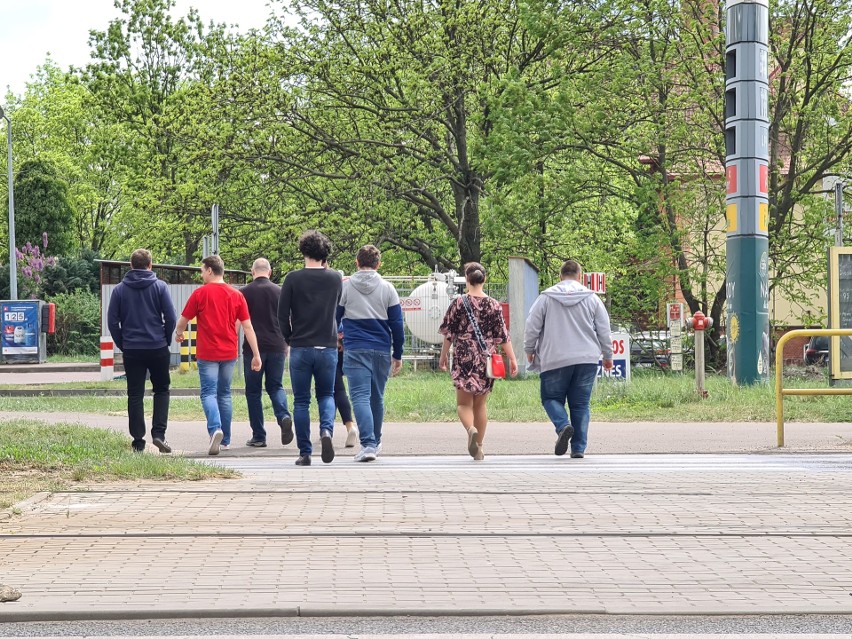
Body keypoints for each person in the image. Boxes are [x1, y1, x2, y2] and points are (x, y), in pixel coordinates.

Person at [523, 259, 613, 459]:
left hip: (554, 358)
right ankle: (578, 448)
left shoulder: (546, 297)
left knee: (551, 398)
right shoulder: (592, 298)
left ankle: (563, 425)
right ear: (579, 276)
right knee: (580, 404)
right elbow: (604, 329)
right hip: (586, 359)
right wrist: (608, 356)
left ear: (560, 276)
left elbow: (532, 326)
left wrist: (529, 349)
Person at [175, 255, 262, 456]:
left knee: (208, 393)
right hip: (229, 352)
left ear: (210, 271)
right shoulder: (237, 295)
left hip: (207, 352)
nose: (201, 274)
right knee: (224, 394)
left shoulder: (200, 294)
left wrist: (179, 334)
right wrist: (256, 355)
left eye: (202, 270)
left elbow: (183, 320)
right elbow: (248, 327)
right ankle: (226, 441)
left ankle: (215, 429)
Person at [439, 262, 518, 460]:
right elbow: (503, 336)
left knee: (464, 404)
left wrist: (443, 357)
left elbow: (449, 333)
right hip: (486, 357)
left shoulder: (459, 303)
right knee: (480, 405)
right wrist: (513, 359)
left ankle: (470, 429)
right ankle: (479, 447)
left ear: (467, 279)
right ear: (484, 279)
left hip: (464, 354)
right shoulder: (494, 304)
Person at [278, 230, 342, 466]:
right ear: (325, 254)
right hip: (327, 346)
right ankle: (326, 431)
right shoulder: (335, 278)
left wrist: (289, 337)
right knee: (326, 394)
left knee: (301, 401)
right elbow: (336, 308)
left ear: (303, 251)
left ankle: (305, 452)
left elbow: (282, 315)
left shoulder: (293, 279)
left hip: (301, 346)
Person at [336, 245, 405, 462]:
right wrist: (398, 353)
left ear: (356, 262)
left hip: (355, 348)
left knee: (359, 397)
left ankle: (368, 444)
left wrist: (337, 337)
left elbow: (335, 318)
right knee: (377, 396)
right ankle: (376, 440)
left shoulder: (345, 288)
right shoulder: (388, 288)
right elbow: (397, 324)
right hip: (382, 349)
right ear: (378, 264)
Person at [107, 248, 177, 454]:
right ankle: (159, 434)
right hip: (157, 347)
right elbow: (171, 317)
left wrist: (123, 344)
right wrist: (164, 339)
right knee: (162, 390)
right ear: (150, 265)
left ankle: (138, 440)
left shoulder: (119, 290)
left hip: (132, 349)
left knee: (135, 393)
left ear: (130, 266)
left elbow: (112, 322)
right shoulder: (160, 287)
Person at [240, 258, 294, 448]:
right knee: (276, 386)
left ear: (252, 272)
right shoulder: (280, 292)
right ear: (269, 272)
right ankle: (284, 416)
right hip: (277, 345)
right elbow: (289, 319)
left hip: (253, 350)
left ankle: (259, 436)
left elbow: (239, 322)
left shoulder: (244, 293)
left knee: (253, 392)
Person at [334, 338, 359, 447]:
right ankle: (327, 427)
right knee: (336, 389)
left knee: (333, 389)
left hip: (332, 344)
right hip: (352, 345)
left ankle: (349, 426)